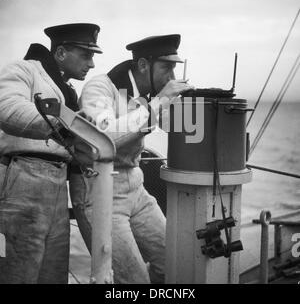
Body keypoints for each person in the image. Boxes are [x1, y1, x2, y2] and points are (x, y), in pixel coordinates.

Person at [74, 34, 193, 284]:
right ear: (142, 65)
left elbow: (175, 128)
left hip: (136, 191)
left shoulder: (145, 94)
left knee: (178, 263)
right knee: (134, 281)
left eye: (174, 69)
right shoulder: (100, 88)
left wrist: (186, 106)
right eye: (166, 68)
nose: (171, 77)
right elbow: (103, 138)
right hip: (102, 193)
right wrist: (159, 103)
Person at [0, 23, 102, 284]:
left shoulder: (66, 90)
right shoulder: (23, 70)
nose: (91, 64)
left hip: (58, 185)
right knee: (20, 270)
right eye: (86, 55)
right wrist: (65, 122)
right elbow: (7, 107)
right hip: (24, 177)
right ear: (60, 53)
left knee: (53, 272)